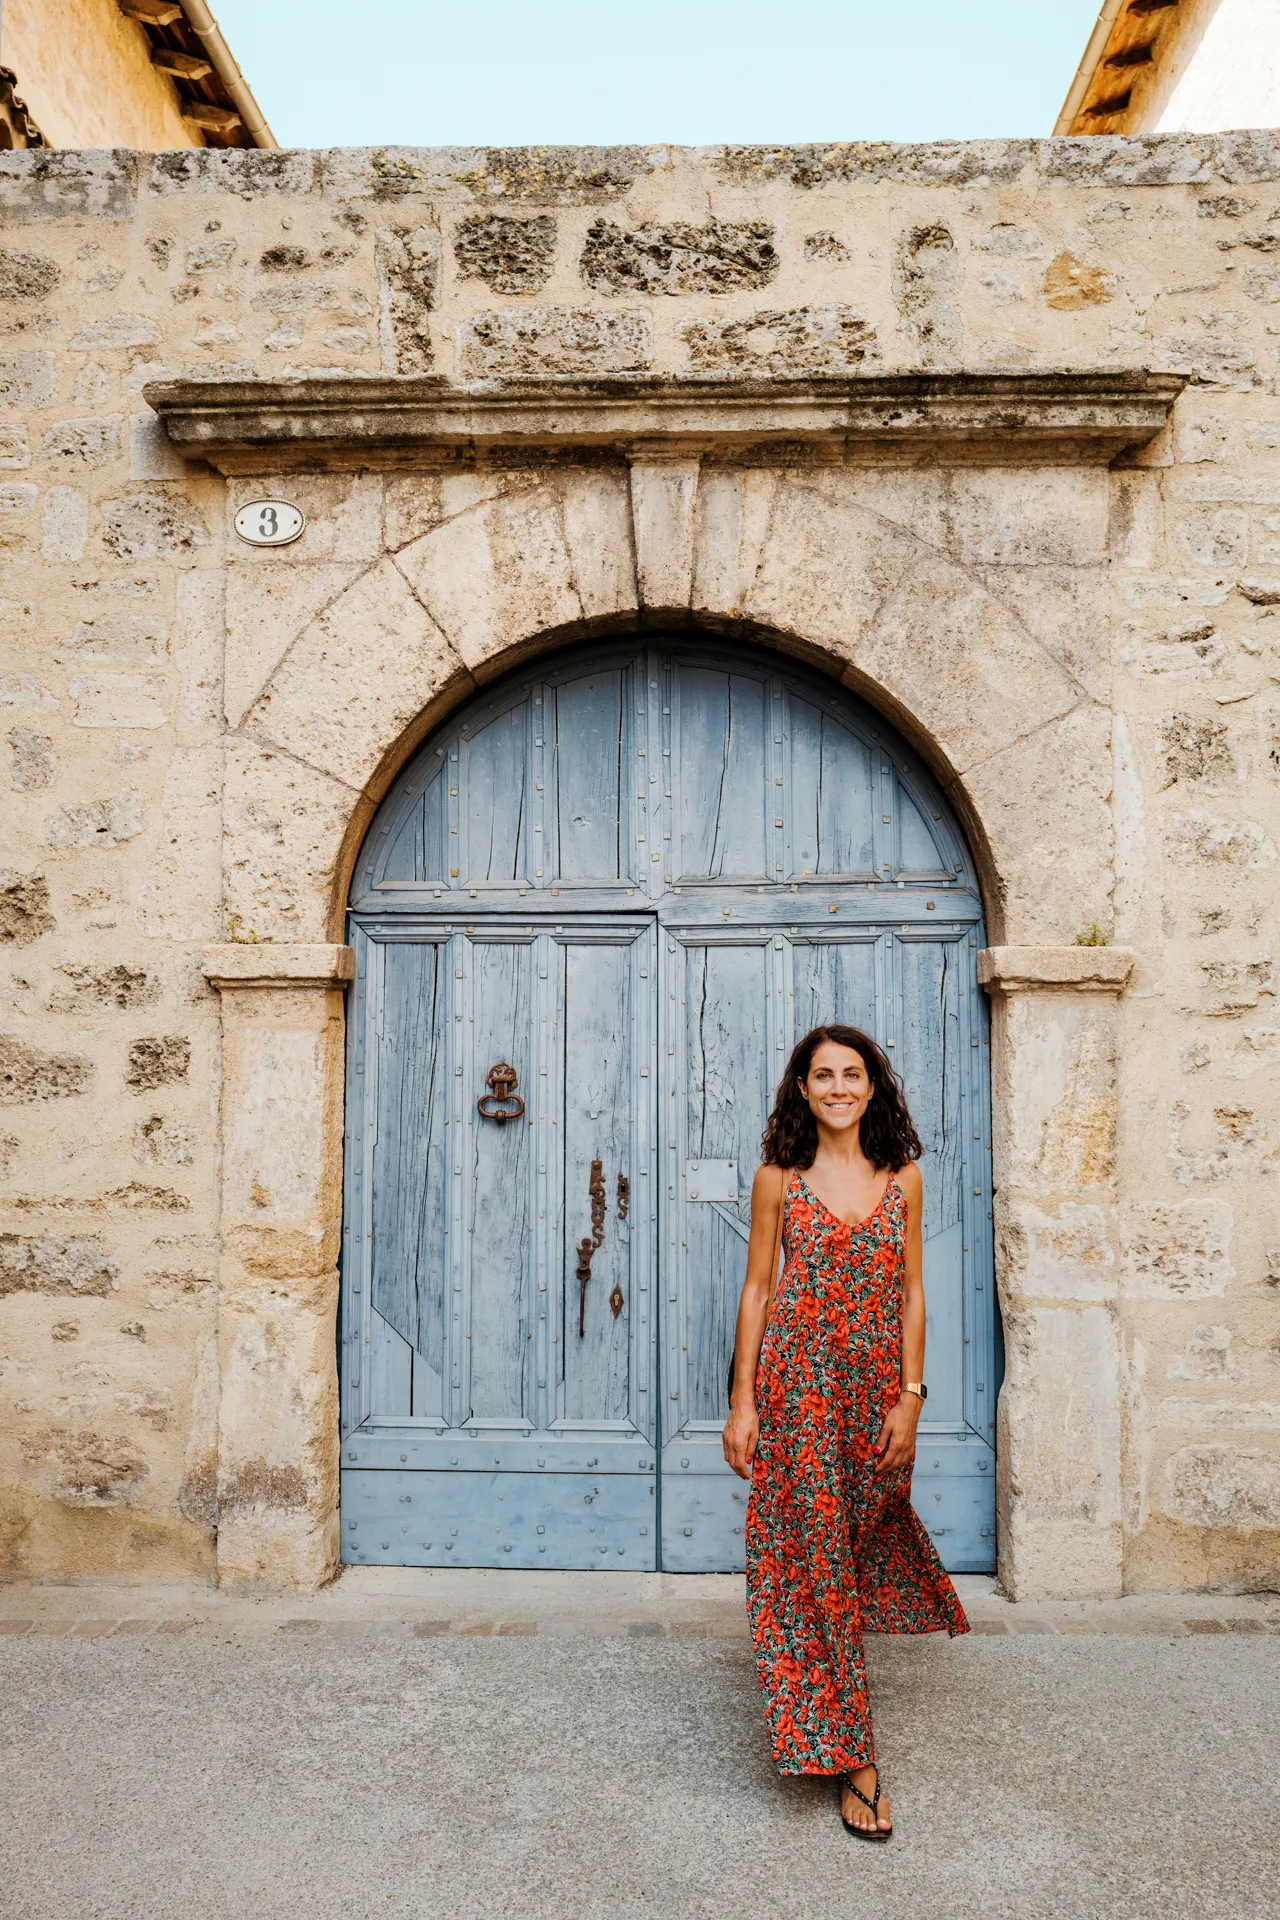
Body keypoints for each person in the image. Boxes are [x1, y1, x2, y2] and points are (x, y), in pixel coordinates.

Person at [722, 1024, 968, 1840]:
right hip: (797, 1395)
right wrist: (743, 1402)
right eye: (821, 1075)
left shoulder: (905, 1179)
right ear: (801, 1088)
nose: (837, 1087)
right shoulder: (776, 1181)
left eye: (851, 1074)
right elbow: (758, 1292)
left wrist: (912, 1398)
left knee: (851, 1549)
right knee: (813, 1559)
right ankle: (854, 1757)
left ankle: (820, 1693)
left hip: (873, 1398)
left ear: (872, 1087)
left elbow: (912, 1297)